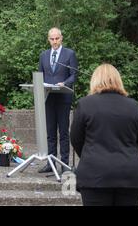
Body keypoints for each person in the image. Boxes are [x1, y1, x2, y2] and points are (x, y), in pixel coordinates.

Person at [71, 64, 138, 206]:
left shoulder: (85, 104)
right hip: (130, 175)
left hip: (95, 174)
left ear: (94, 80)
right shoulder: (134, 106)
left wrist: (90, 155)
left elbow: (76, 139)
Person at [38, 27, 78, 173]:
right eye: (52, 39)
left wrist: (65, 83)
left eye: (57, 38)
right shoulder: (43, 55)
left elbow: (74, 75)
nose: (54, 41)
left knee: (63, 132)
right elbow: (40, 75)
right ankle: (51, 163)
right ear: (48, 39)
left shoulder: (69, 54)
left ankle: (65, 164)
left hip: (63, 97)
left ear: (61, 38)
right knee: (50, 132)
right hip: (48, 98)